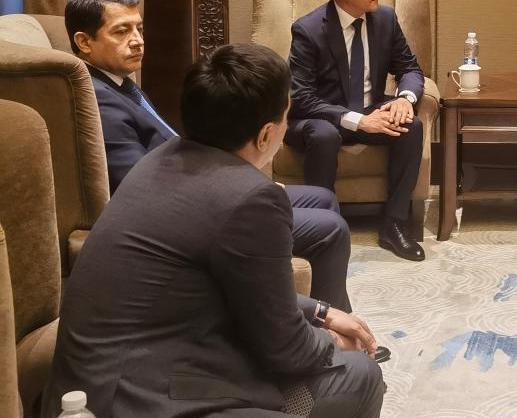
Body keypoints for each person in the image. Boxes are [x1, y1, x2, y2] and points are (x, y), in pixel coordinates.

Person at [43, 44, 385, 417]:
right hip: (140, 400)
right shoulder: (251, 198)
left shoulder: (160, 159)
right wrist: (329, 342)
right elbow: (286, 349)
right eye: (287, 117)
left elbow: (253, 292)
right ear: (265, 135)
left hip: (103, 376)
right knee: (360, 374)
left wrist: (321, 312)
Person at [65, 0, 353, 311]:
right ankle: (332, 322)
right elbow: (141, 184)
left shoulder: (118, 83)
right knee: (330, 230)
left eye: (139, 29)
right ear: (84, 42)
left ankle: (322, 308)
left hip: (194, 183)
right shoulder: (97, 100)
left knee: (323, 198)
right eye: (121, 31)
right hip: (182, 214)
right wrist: (234, 187)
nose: (137, 40)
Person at [285, 0, 426, 262]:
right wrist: (358, 120)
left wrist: (405, 99)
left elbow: (410, 68)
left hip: (369, 108)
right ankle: (323, 226)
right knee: (324, 135)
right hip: (322, 116)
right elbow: (301, 97)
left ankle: (394, 224)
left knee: (410, 126)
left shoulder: (385, 19)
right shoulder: (309, 29)